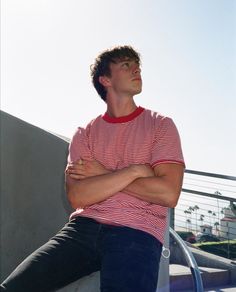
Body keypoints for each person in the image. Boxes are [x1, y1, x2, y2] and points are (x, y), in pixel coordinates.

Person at [0, 45, 185, 292]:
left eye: (136, 64)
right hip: (83, 229)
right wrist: (136, 170)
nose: (136, 69)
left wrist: (102, 174)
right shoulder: (84, 134)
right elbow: (79, 196)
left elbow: (168, 193)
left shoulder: (161, 126)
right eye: (126, 65)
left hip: (138, 231)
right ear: (105, 79)